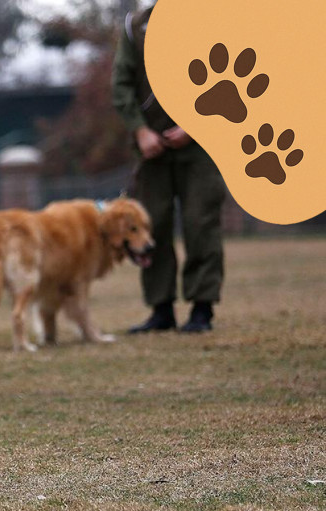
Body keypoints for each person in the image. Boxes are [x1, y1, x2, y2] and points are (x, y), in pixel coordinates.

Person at [112, 3, 226, 334]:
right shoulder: (137, 26)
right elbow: (121, 84)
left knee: (200, 222)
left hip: (202, 147)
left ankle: (202, 310)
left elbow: (229, 74)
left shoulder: (212, 19)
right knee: (152, 226)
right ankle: (161, 310)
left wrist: (195, 125)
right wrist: (139, 129)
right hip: (151, 149)